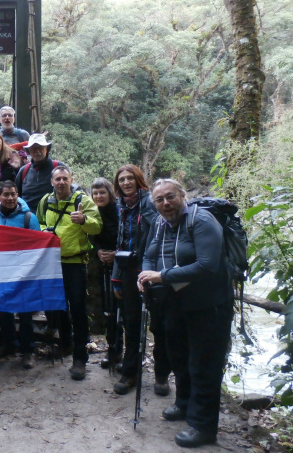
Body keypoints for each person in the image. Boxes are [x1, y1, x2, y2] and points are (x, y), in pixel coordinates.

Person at [138, 179, 233, 448]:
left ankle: (203, 426)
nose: (166, 203)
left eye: (170, 197)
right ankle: (184, 404)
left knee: (204, 364)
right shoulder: (160, 223)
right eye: (159, 200)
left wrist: (161, 276)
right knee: (178, 356)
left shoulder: (201, 221)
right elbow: (149, 254)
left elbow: (207, 265)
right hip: (175, 303)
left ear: (183, 195)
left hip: (209, 305)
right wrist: (144, 275)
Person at [36, 166, 102, 380]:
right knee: (58, 306)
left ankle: (80, 359)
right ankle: (66, 345)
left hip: (75, 262)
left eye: (65, 178)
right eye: (58, 179)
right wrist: (44, 230)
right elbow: (39, 222)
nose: (61, 182)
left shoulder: (82, 200)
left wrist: (83, 220)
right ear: (52, 182)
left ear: (71, 180)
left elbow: (97, 227)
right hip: (52, 262)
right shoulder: (45, 201)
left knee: (78, 309)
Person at [110, 165, 170, 396]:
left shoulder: (150, 203)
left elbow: (160, 236)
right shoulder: (121, 206)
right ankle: (130, 372)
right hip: (128, 271)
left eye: (130, 178)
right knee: (132, 322)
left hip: (153, 270)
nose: (126, 183)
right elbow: (120, 242)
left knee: (158, 324)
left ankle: (161, 374)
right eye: (122, 180)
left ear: (138, 180)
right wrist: (116, 277)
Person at [0, 181, 40, 369]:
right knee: (4, 311)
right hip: (1, 271)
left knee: (25, 313)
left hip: (23, 272)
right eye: (6, 194)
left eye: (13, 194)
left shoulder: (29, 218)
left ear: (18, 195)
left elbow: (38, 245)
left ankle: (28, 350)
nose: (10, 198)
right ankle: (9, 344)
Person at [89, 178, 122, 370]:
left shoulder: (120, 211)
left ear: (110, 193)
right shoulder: (94, 212)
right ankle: (112, 350)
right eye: (95, 193)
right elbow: (92, 238)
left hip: (122, 264)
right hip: (102, 264)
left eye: (102, 192)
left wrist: (117, 253)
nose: (99, 196)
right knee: (108, 309)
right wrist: (99, 251)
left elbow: (126, 235)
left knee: (120, 309)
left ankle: (124, 351)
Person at [15, 134, 65, 213]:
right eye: (33, 149)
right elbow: (16, 196)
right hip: (27, 217)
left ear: (46, 149)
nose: (37, 151)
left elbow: (71, 191)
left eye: (40, 148)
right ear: (29, 151)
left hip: (53, 216)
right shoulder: (24, 171)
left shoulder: (58, 167)